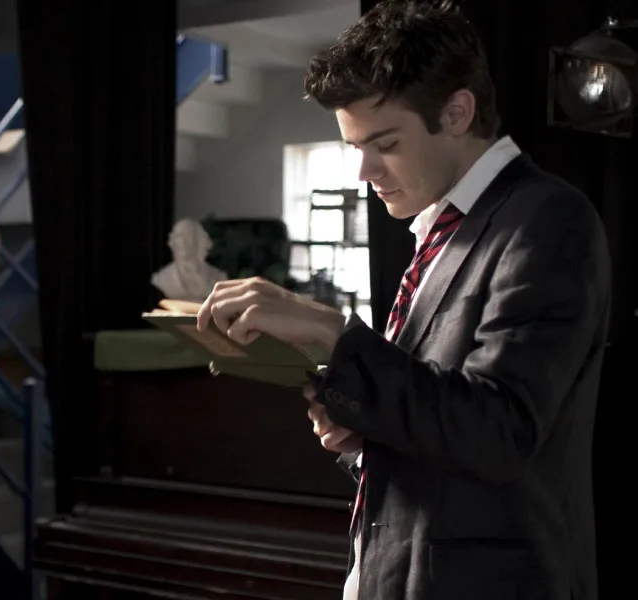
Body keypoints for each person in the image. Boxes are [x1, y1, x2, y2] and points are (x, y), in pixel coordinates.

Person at [196, 1, 610, 599]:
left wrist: (332, 332)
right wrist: (366, 430)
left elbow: (500, 431)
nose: (364, 171)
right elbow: (442, 419)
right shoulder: (441, 229)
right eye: (354, 146)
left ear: (457, 113)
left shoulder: (546, 220)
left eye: (385, 143)